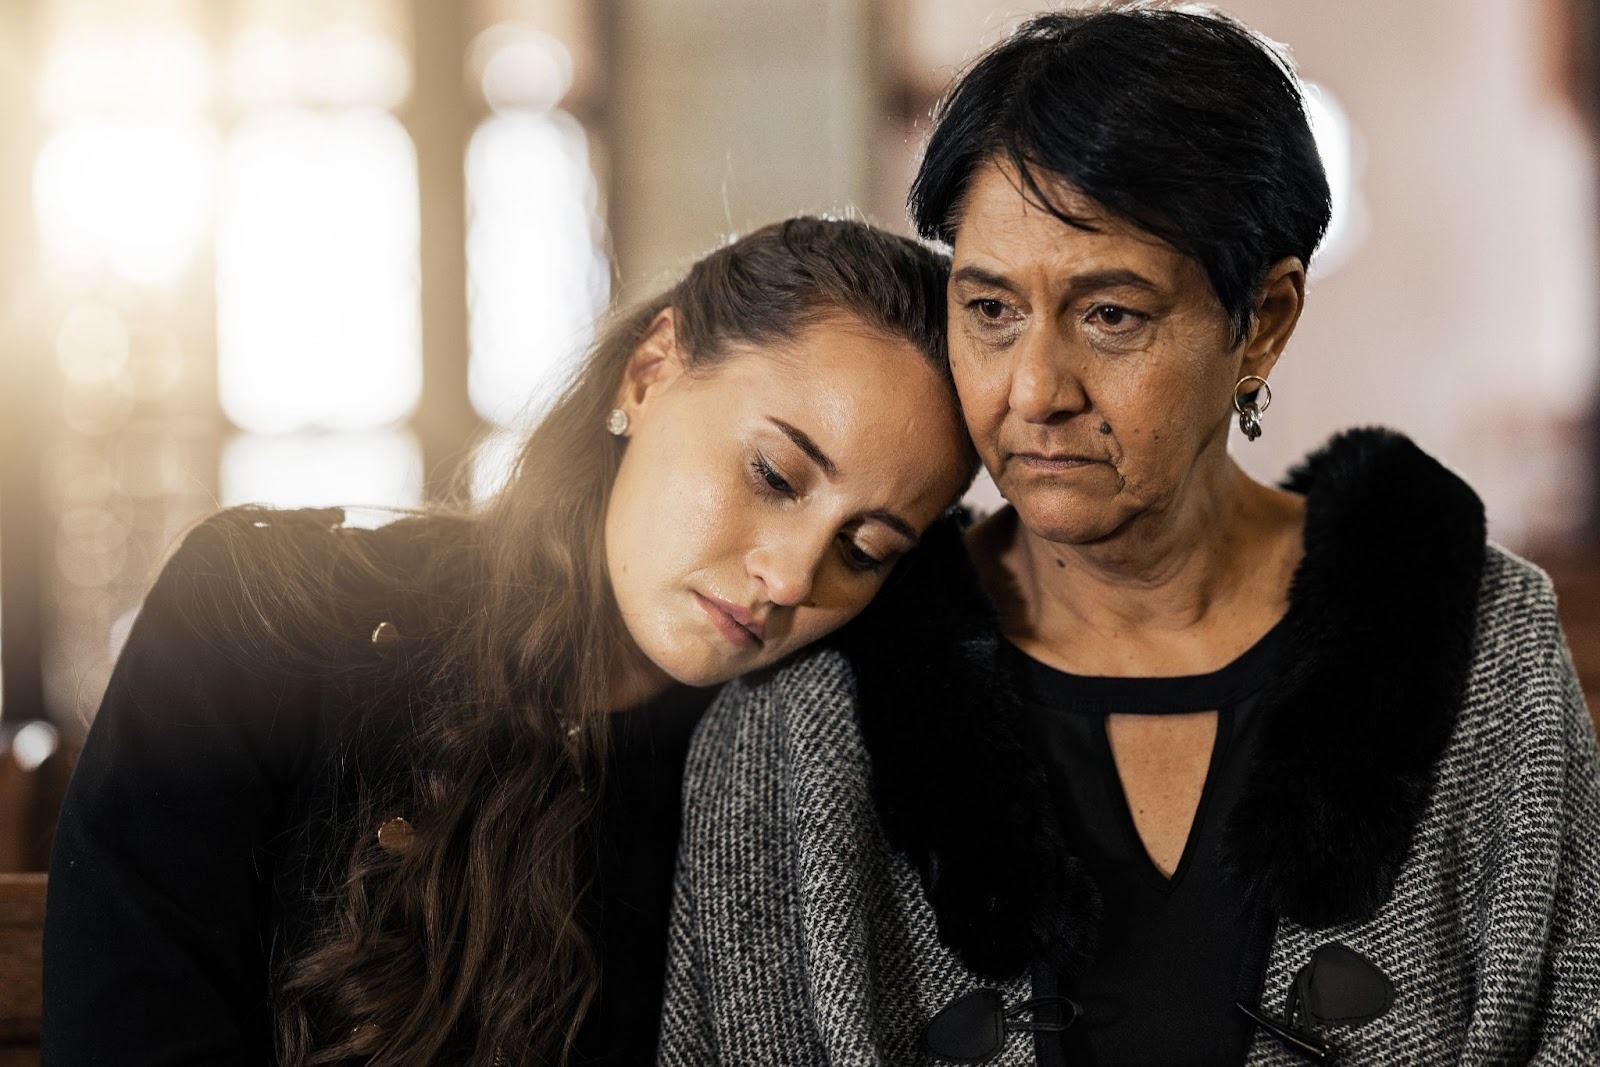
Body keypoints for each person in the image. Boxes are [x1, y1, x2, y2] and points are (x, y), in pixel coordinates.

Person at [661, 8, 1600, 1066]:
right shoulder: (812, 697)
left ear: (1264, 319)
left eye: (1111, 314)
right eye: (989, 310)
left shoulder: (1485, 649)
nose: (1034, 391)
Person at [41, 217, 976, 1066]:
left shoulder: (784, 778)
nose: (793, 576)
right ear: (649, 372)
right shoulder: (258, 617)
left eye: (867, 549)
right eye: (774, 475)